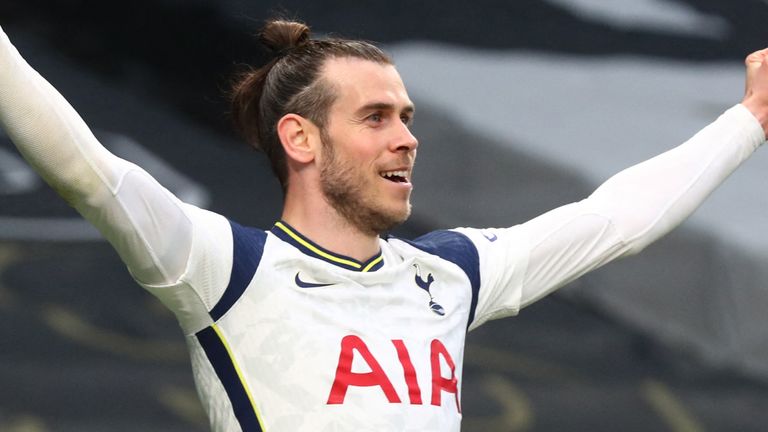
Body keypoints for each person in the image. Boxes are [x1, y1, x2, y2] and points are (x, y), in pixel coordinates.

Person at [1, 17, 766, 432]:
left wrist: (751, 118)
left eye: (406, 116)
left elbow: (616, 220)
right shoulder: (225, 270)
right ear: (300, 139)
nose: (408, 137)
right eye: (376, 117)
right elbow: (83, 169)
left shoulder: (451, 273)